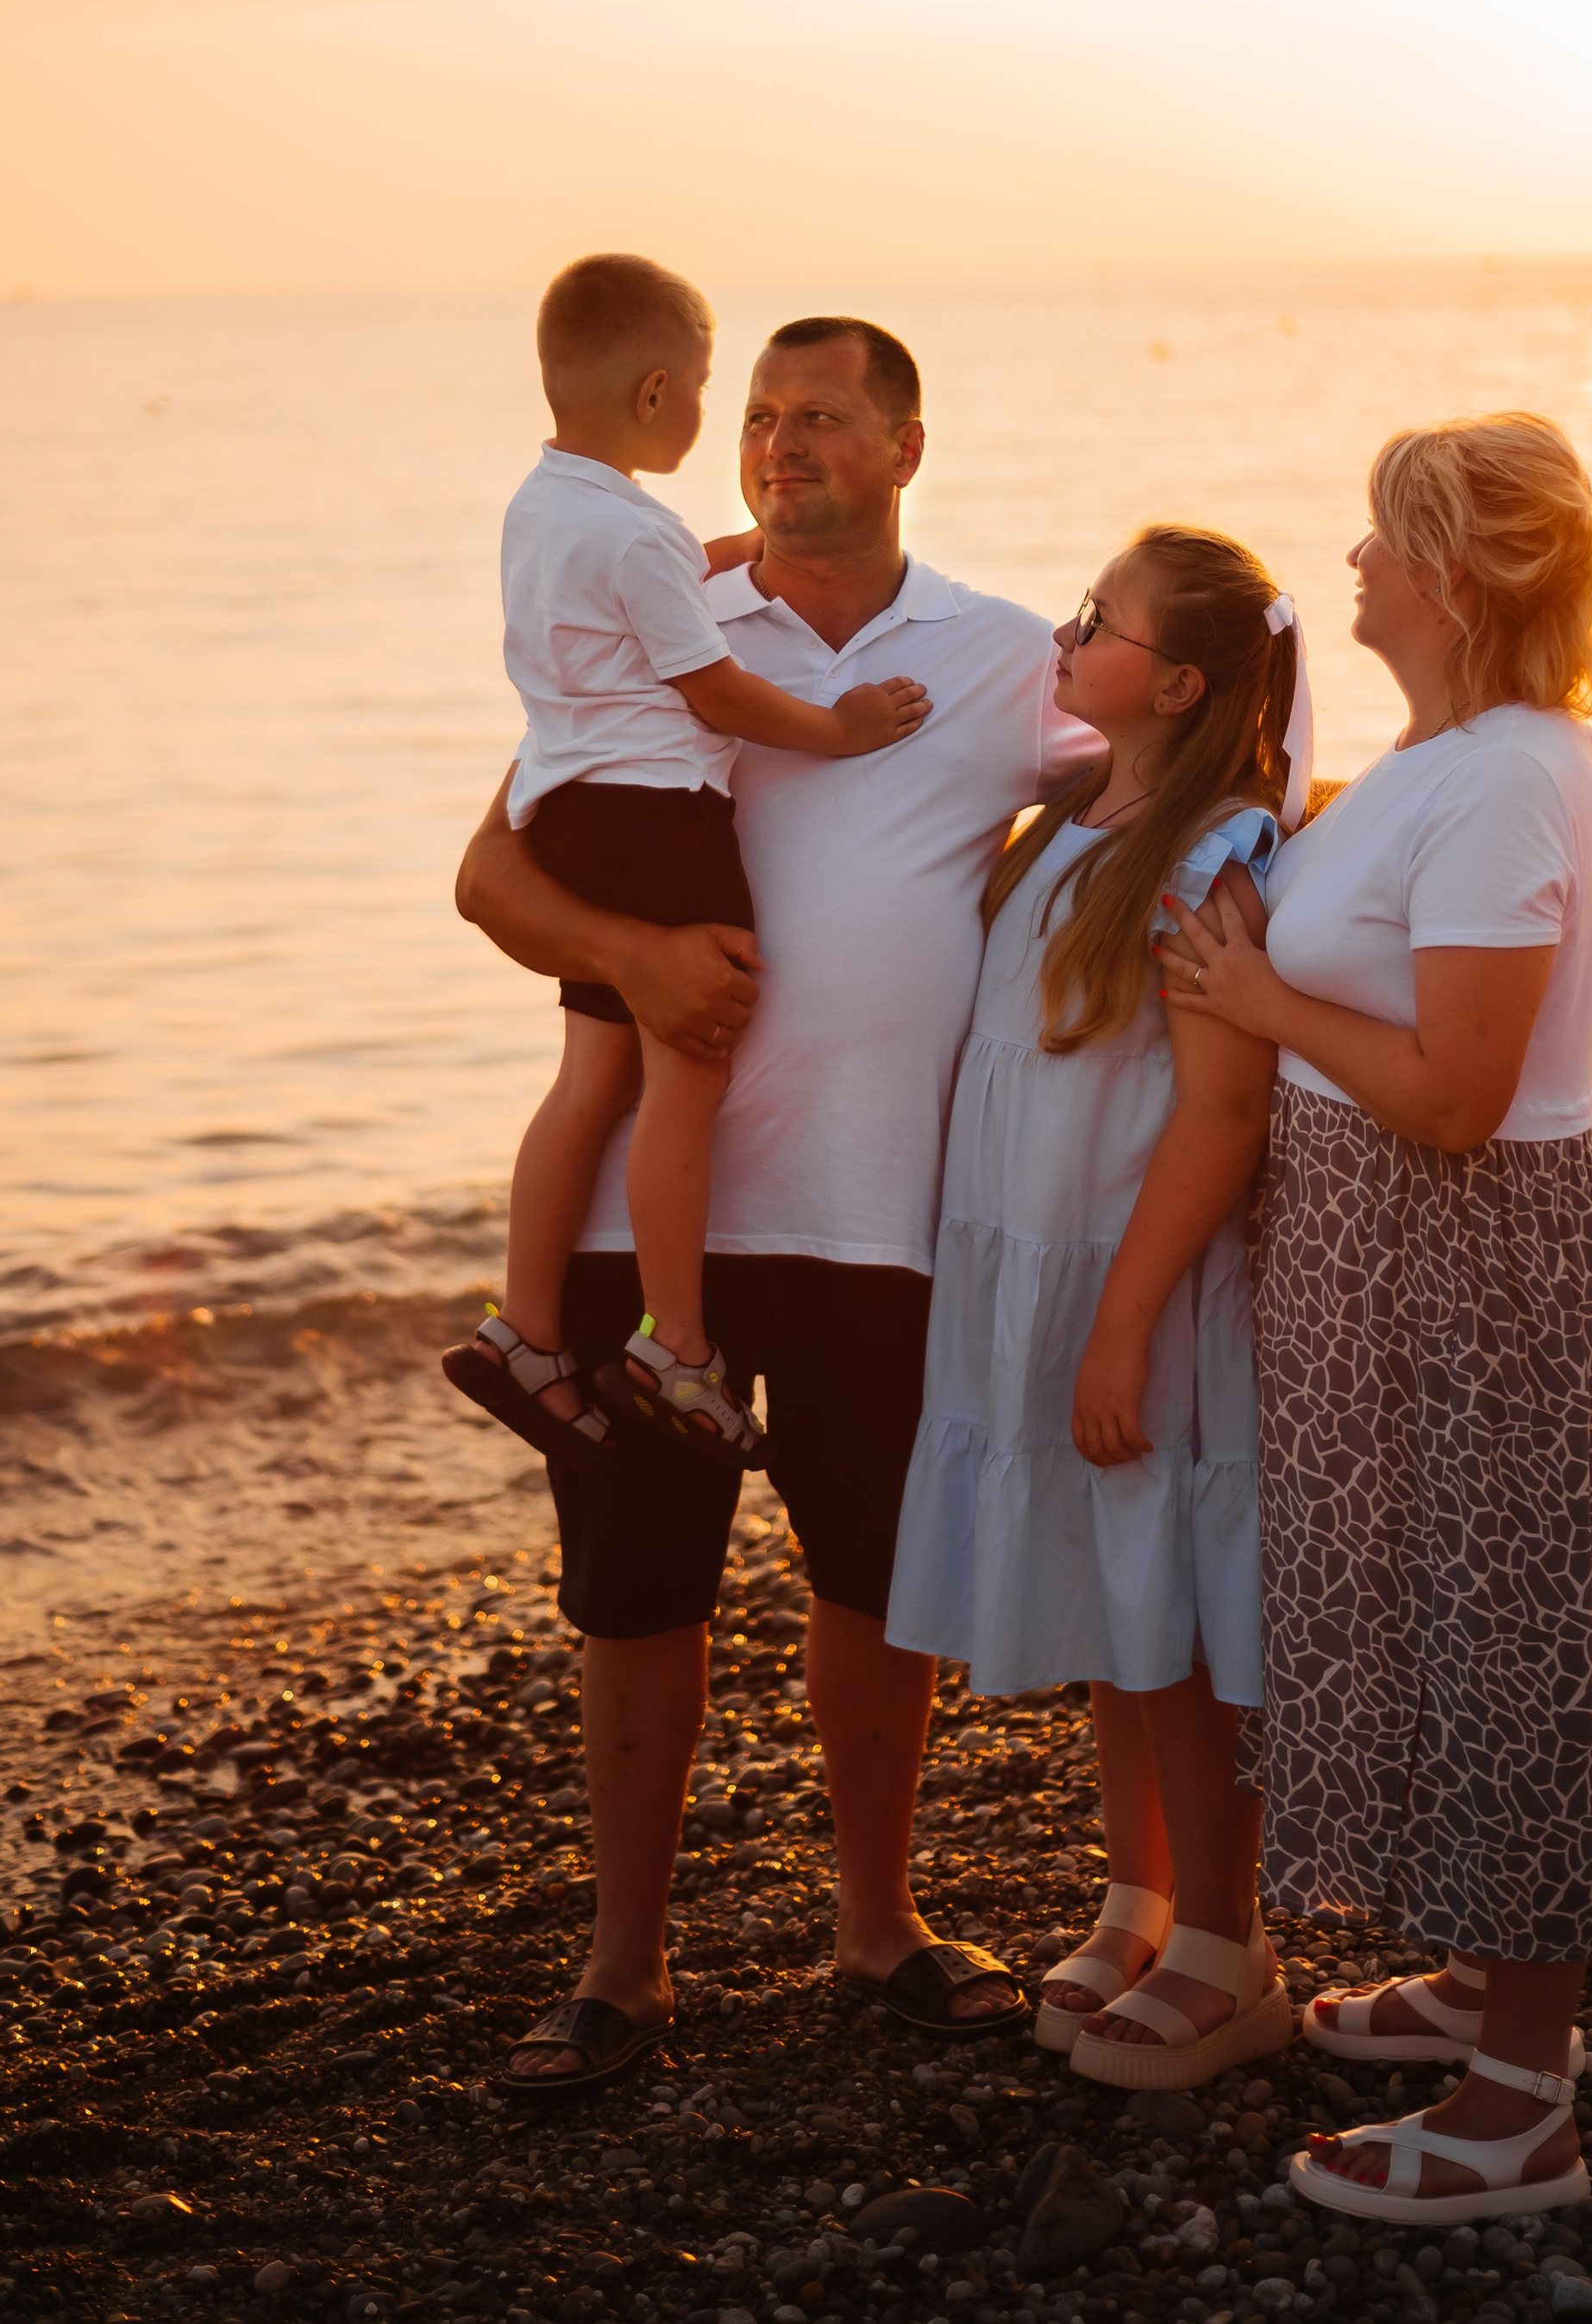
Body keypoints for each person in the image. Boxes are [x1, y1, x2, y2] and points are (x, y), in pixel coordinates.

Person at [453, 315, 1104, 2088]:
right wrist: (635, 962)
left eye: (821, 416)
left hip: (873, 1212)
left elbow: (1155, 767)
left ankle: (875, 1926)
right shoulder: (662, 621)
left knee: (869, 1579)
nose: (779, 442)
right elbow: (487, 876)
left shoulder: (988, 653)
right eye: (757, 415)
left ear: (905, 442)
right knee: (635, 1587)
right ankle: (620, 1970)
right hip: (635, 1233)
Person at [1161, 412, 1592, 2230]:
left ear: (1450, 577)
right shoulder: (1441, 758)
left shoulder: (1513, 774)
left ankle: (1521, 2105)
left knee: (1512, 1652)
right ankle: (1483, 1979)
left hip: (1476, 1266)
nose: (1348, 565)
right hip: (1388, 1266)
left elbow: (1454, 1094)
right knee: (1446, 1624)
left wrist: (1251, 996)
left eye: (1379, 540)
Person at [886, 526, 1314, 2094]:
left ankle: (1229, 1940)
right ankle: (1137, 1894)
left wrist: (1124, 1321)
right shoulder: (1075, 813)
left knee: (1172, 1613)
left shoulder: (1217, 851)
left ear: (1180, 679)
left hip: (1138, 1267)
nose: (1065, 634)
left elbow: (1217, 1114)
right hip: (1036, 1254)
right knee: (1114, 1603)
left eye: (1100, 621)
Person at [443, 255, 929, 1477]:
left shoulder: (545, 507)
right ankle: (678, 1342)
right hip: (664, 822)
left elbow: (633, 592)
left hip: (570, 805)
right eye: (725, 396)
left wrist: (708, 550)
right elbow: (712, 685)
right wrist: (841, 725)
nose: (732, 423)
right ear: (661, 392)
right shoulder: (643, 534)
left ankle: (528, 1329)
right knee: (684, 1084)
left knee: (588, 1078)